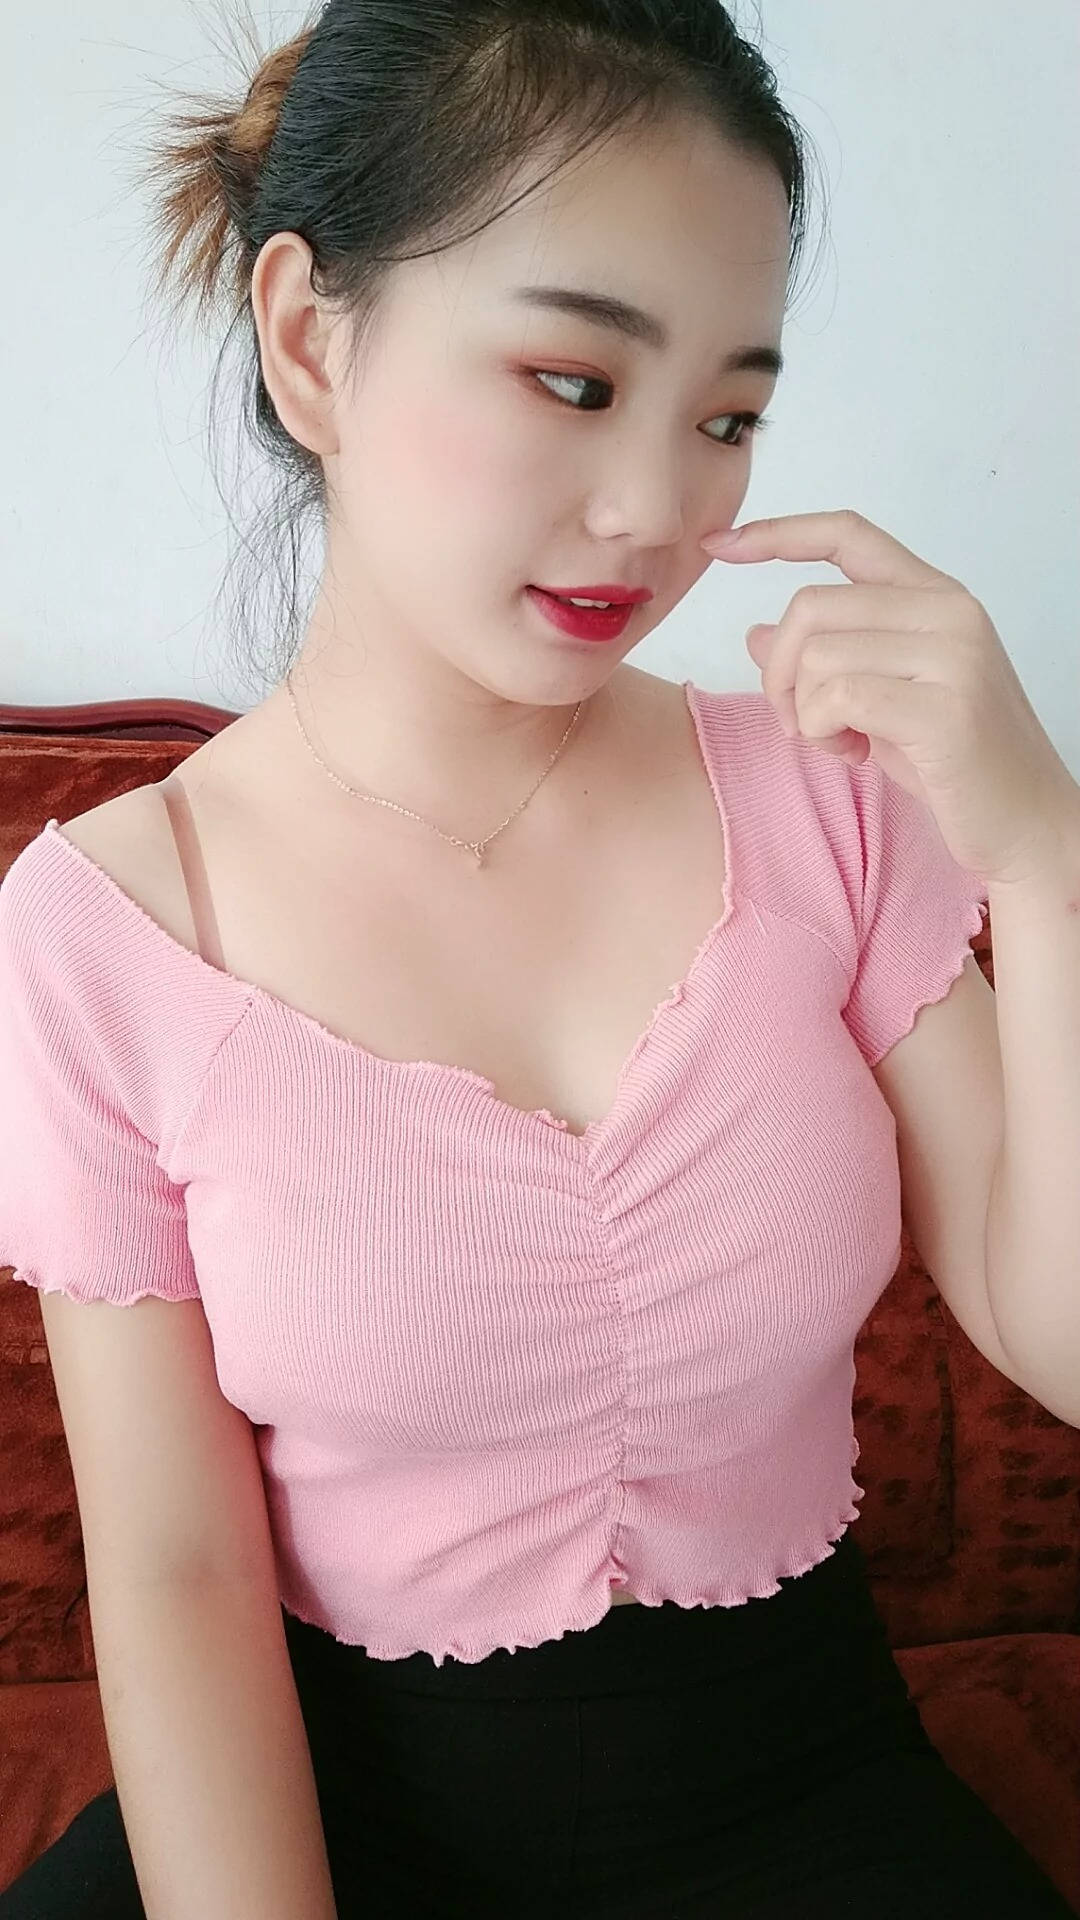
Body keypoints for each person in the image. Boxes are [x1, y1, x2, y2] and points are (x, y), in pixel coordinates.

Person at [1, 2, 1074, 1915]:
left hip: (800, 1788)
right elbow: (173, 1570)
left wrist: (1048, 860)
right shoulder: (107, 929)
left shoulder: (825, 799)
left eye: (726, 417)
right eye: (576, 382)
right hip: (328, 1812)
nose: (657, 511)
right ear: (310, 340)